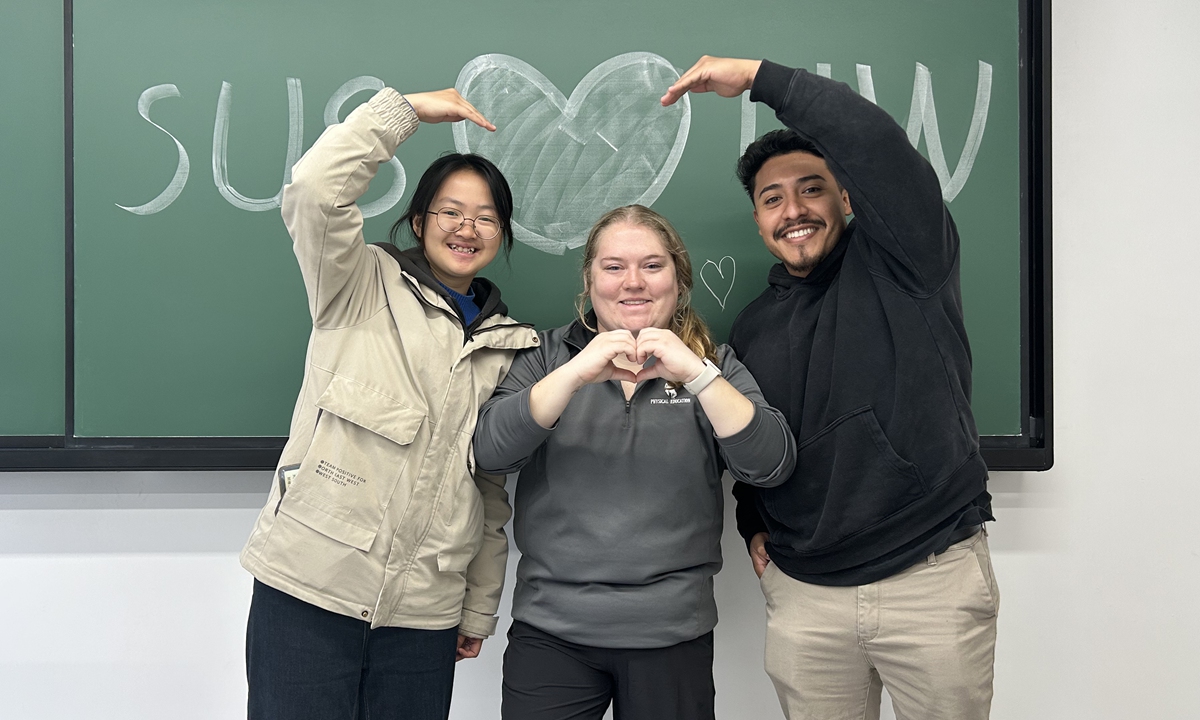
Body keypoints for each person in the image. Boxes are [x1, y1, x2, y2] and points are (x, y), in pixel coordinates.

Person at [662, 57, 999, 720]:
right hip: (808, 595)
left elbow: (875, 145)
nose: (793, 210)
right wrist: (754, 521)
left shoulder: (908, 261)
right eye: (772, 199)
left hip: (929, 578)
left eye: (811, 189)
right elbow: (755, 443)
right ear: (758, 220)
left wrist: (760, 78)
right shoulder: (753, 327)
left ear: (847, 198)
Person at [238, 85, 540, 720]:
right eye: (450, 211)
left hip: (424, 613)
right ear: (419, 221)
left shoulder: (510, 346)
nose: (467, 229)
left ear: (502, 234)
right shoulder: (357, 280)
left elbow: (488, 490)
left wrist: (477, 607)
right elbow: (315, 189)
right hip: (311, 586)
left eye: (486, 218)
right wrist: (401, 112)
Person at [473, 204, 796, 720]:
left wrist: (698, 375)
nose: (633, 283)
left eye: (652, 265)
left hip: (673, 633)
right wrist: (576, 373)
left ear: (679, 279)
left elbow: (771, 464)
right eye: (614, 267)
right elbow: (491, 451)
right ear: (589, 281)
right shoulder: (543, 357)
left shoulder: (716, 365)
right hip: (551, 632)